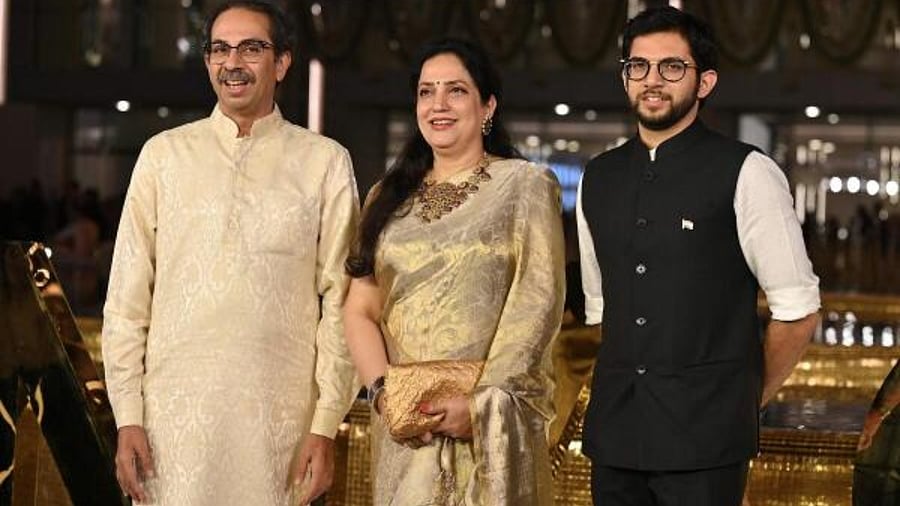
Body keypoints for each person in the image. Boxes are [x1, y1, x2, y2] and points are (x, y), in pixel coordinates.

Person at [101, 2, 359, 504]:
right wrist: (128, 416)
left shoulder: (324, 163)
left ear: (282, 63)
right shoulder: (163, 156)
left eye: (251, 48)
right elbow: (127, 300)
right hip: (170, 430)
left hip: (278, 431)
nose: (232, 62)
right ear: (206, 62)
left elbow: (342, 304)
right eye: (220, 49)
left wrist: (325, 424)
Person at [576, 7, 821, 505]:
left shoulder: (748, 172)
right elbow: (604, 312)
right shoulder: (596, 178)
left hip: (707, 443)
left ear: (704, 82)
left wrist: (739, 402)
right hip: (615, 437)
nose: (651, 80)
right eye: (637, 67)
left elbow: (798, 312)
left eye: (671, 67)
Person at [342, 38, 565, 505]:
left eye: (456, 91)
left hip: (488, 428)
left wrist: (482, 407)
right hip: (406, 430)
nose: (438, 105)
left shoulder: (524, 186)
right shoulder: (387, 196)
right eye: (426, 92)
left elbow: (537, 304)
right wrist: (385, 397)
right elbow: (361, 307)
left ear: (488, 106)